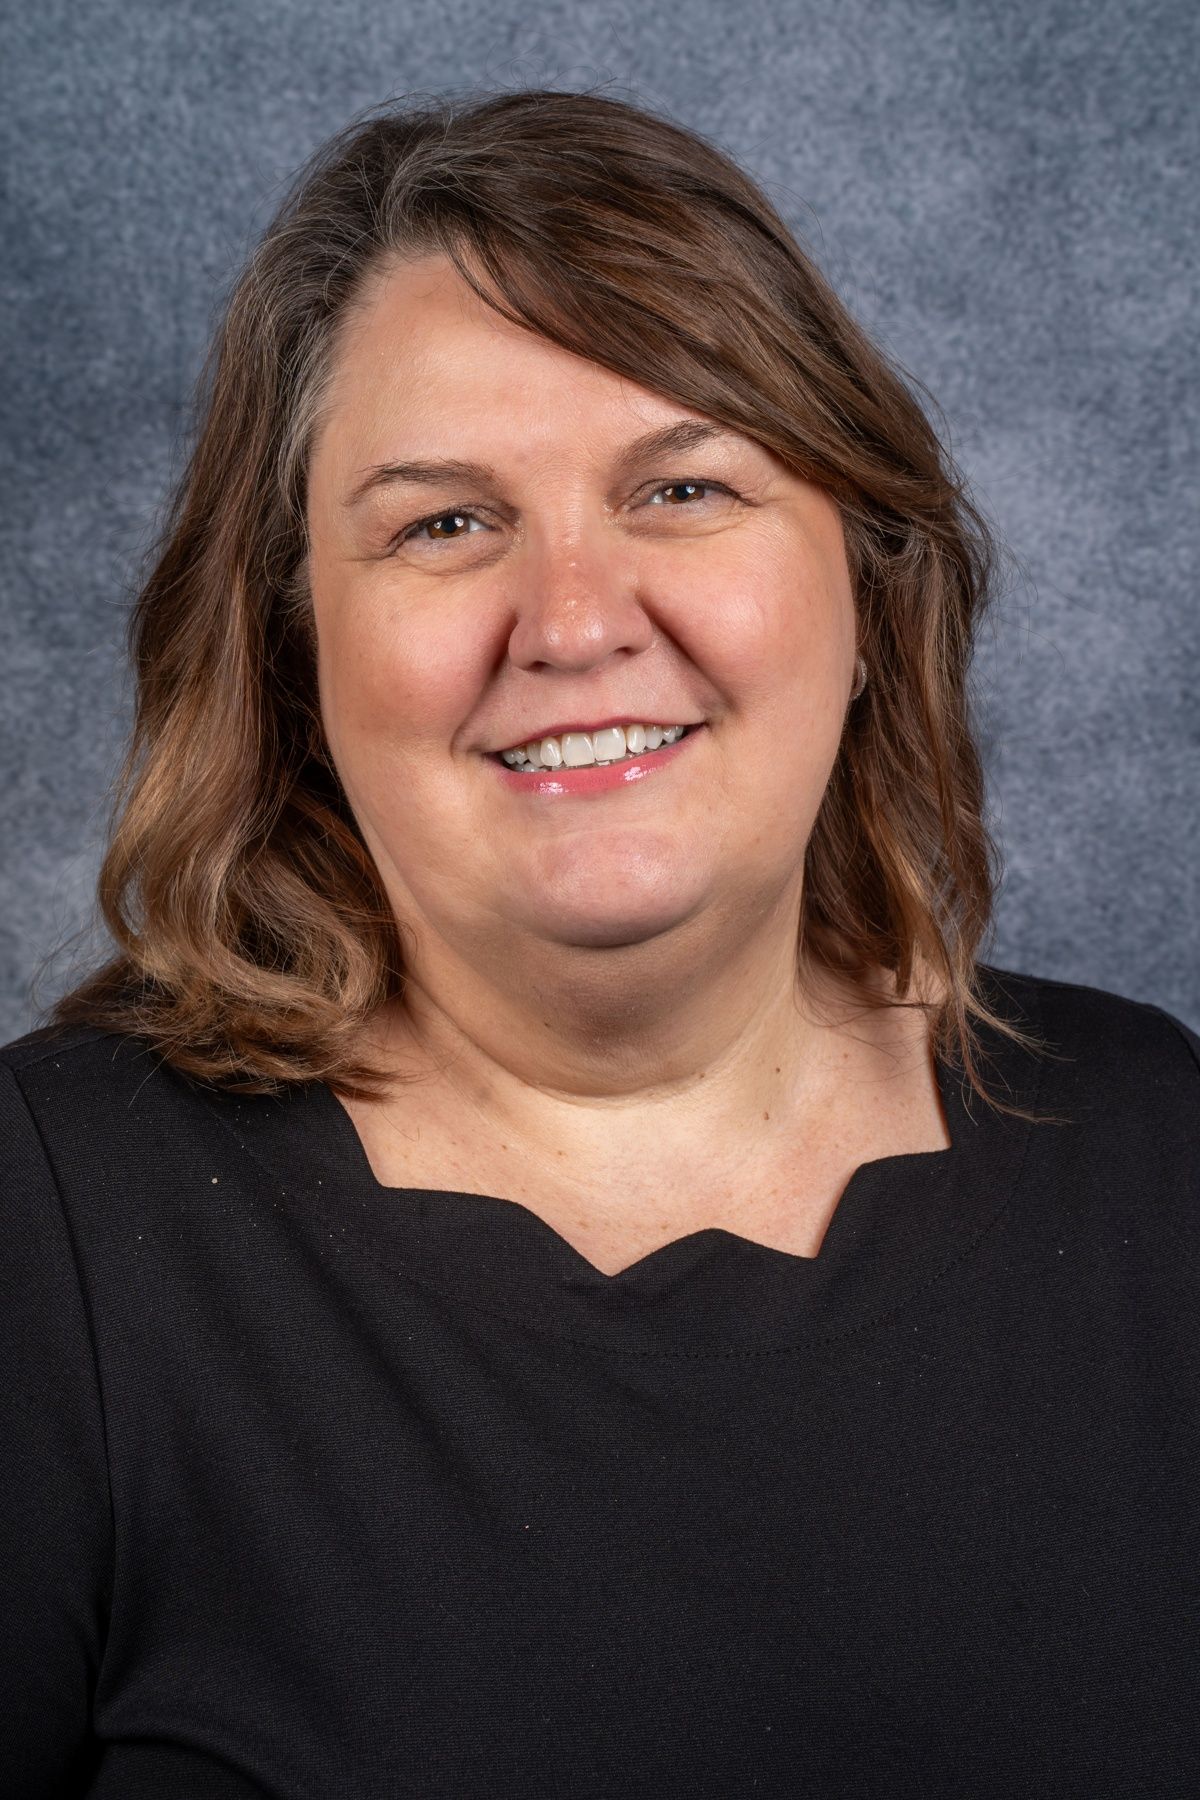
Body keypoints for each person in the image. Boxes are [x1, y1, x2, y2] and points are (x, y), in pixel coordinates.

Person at [3, 86, 1197, 1800]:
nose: (571, 621)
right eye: (443, 522)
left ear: (866, 589)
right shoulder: (51, 1234)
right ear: (291, 657)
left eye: (685, 487)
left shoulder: (1155, 1143)